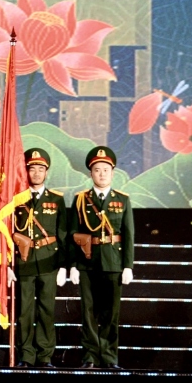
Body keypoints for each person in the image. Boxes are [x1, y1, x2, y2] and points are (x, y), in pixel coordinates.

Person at [70, 146, 134, 370]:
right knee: (88, 312)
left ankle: (109, 357)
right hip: (86, 262)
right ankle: (90, 357)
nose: (102, 174)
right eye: (97, 170)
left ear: (112, 173)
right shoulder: (80, 199)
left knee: (111, 313)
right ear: (91, 173)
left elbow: (128, 235)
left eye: (106, 170)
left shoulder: (122, 200)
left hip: (113, 262)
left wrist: (128, 266)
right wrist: (73, 265)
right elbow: (73, 233)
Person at [12, 149, 68, 369]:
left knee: (46, 310)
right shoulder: (15, 199)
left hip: (49, 260)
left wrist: (63, 265)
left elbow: (62, 234)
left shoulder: (56, 199)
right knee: (24, 311)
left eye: (40, 169)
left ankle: (45, 356)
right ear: (25, 172)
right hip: (24, 261)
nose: (36, 173)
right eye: (32, 169)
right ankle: (26, 355)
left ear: (46, 172)